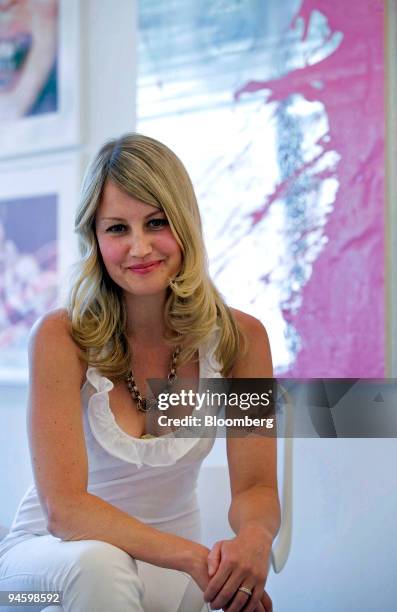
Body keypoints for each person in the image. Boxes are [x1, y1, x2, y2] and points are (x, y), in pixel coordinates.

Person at [0, 133, 280, 612]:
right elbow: (63, 509)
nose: (139, 247)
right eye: (116, 229)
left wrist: (252, 543)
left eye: (156, 222)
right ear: (94, 237)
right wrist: (196, 559)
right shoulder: (60, 337)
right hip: (36, 578)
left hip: (172, 569)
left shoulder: (242, 340)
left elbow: (255, 486)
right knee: (101, 568)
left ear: (185, 224)